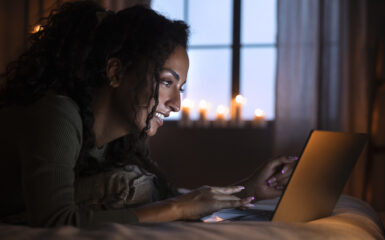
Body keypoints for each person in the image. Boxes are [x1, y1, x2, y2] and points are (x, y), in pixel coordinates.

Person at [0, 1, 297, 228]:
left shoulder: (126, 137)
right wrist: (178, 209)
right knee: (132, 184)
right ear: (116, 72)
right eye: (167, 82)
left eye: (180, 87)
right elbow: (56, 222)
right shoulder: (57, 114)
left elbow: (166, 197)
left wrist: (249, 190)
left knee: (141, 185)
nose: (176, 103)